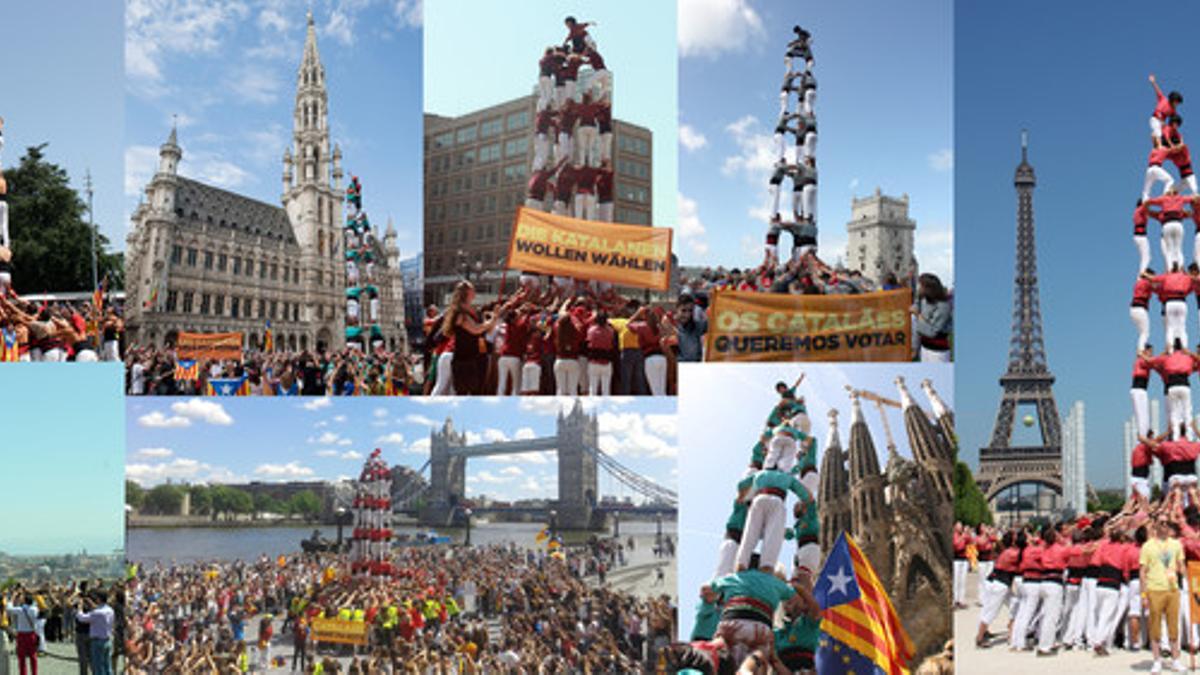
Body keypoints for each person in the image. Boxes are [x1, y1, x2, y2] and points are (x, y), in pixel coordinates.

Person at [1141, 518, 1185, 672]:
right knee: (1155, 626)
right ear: (1156, 526)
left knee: (1174, 625)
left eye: (1167, 523)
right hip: (1154, 588)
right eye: (1162, 523)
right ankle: (1157, 659)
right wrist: (1144, 594)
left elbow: (1181, 565)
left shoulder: (1176, 544)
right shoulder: (1148, 546)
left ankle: (1175, 659)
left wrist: (1189, 573)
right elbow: (1143, 571)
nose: (1165, 525)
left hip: (1172, 588)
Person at [913, 273, 953, 362]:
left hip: (937, 351)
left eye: (921, 286)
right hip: (924, 347)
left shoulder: (943, 306)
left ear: (928, 288)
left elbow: (932, 332)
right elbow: (916, 303)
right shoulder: (924, 298)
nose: (918, 288)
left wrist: (917, 315)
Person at [76, 591, 114, 675]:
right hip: (107, 640)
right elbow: (97, 609)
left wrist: (80, 607)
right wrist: (90, 603)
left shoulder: (97, 613)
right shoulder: (110, 610)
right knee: (107, 666)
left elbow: (81, 618)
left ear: (99, 599)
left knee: (98, 667)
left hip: (97, 641)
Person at [6, 593, 38, 675]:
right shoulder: (35, 609)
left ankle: (23, 673)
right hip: (31, 634)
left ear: (24, 601)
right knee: (33, 656)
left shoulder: (20, 610)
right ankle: (34, 673)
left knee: (22, 658)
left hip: (22, 635)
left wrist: (12, 598)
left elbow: (9, 609)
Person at [1149, 75, 1184, 148]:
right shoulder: (1163, 99)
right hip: (1155, 118)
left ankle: (1155, 140)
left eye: (1178, 103)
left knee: (1164, 133)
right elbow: (1158, 91)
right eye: (1176, 103)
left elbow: (1175, 119)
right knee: (1158, 131)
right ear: (1173, 100)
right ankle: (1159, 145)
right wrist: (1153, 82)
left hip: (1162, 122)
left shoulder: (1173, 110)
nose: (1177, 105)